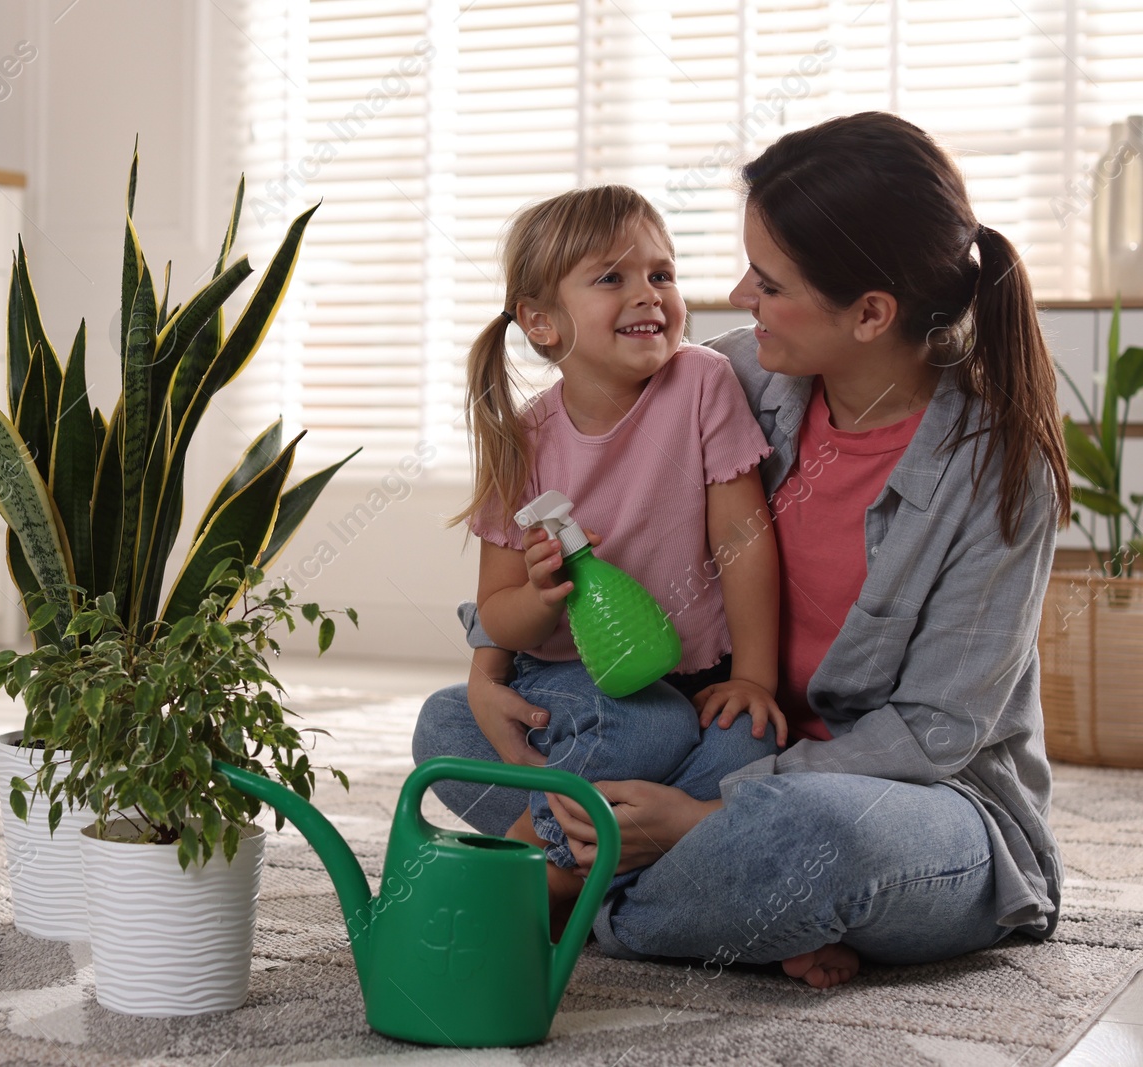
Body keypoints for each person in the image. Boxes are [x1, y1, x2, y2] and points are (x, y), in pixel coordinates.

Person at [414, 111, 1070, 988]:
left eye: (768, 280)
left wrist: (700, 815)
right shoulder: (724, 376)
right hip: (703, 732)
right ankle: (691, 898)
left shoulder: (995, 470)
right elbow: (575, 497)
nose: (736, 293)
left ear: (871, 312)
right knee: (451, 726)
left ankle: (588, 890)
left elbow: (934, 733)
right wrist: (488, 669)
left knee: (809, 842)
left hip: (896, 796)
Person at [450, 183, 787, 882]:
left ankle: (551, 859)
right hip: (572, 684)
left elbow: (746, 543)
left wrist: (754, 675)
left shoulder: (702, 381)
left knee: (743, 745)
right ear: (542, 322)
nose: (649, 294)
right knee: (443, 726)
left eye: (661, 274)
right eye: (613, 278)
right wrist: (542, 597)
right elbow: (498, 613)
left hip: (690, 683)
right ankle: (601, 862)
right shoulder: (522, 439)